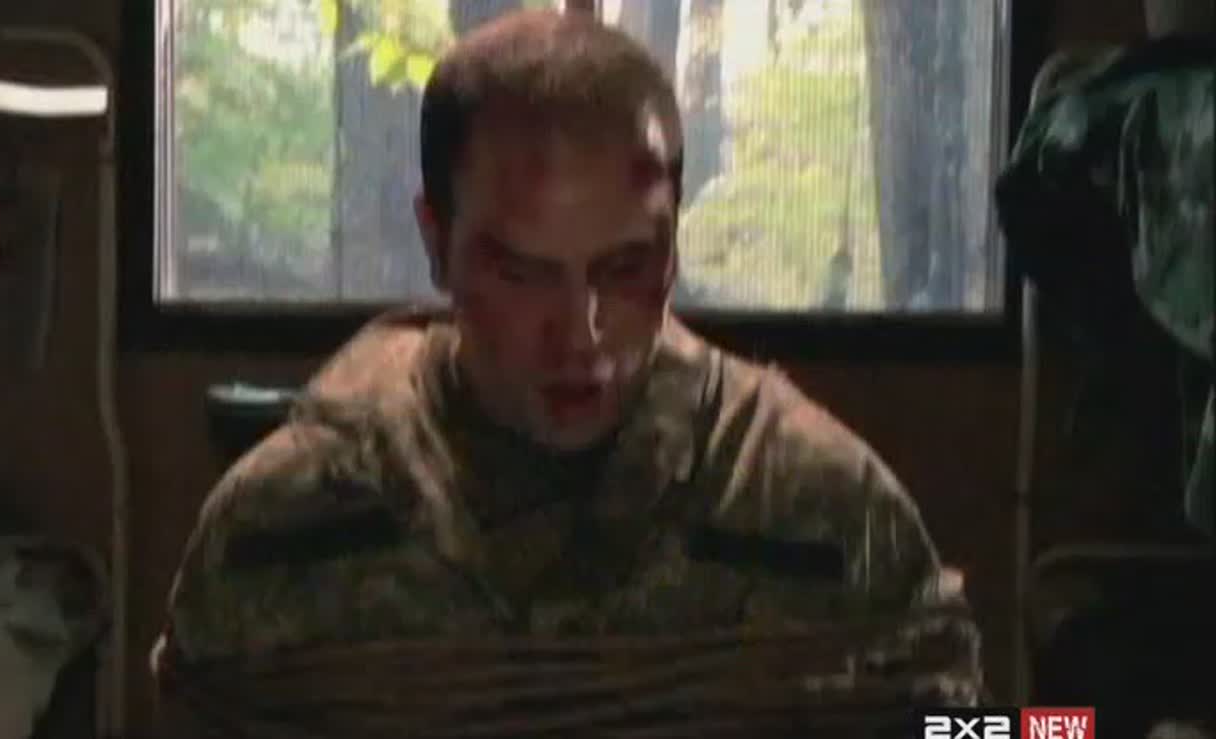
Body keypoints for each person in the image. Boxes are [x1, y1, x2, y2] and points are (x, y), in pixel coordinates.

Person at [152, 8, 981, 733]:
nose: (581, 336)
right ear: (437, 242)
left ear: (673, 246)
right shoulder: (283, 527)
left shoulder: (820, 505)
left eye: (624, 269)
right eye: (524, 273)